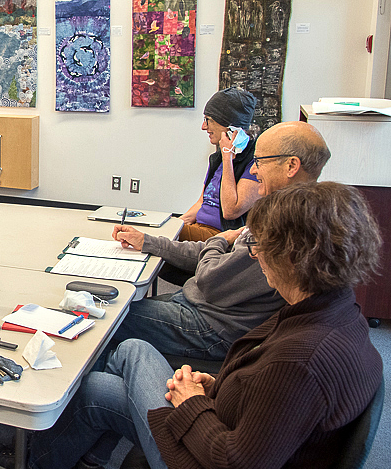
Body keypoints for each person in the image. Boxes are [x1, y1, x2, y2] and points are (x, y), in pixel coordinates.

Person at [0, 181, 382, 469]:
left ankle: (38, 465)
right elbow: (270, 404)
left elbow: (240, 467)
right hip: (239, 445)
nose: (255, 256)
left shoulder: (301, 361)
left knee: (100, 382)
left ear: (294, 257)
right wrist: (217, 387)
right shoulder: (335, 313)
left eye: (259, 246)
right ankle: (61, 465)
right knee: (127, 355)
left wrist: (193, 405)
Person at [105, 121, 331, 364]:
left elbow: (210, 278)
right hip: (200, 305)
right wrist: (148, 242)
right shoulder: (279, 209)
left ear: (291, 165)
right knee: (113, 305)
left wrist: (218, 240)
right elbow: (211, 254)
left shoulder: (285, 227)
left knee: (103, 315)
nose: (253, 171)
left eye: (260, 162)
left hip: (212, 327)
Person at [178, 87, 260, 242]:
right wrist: (173, 225)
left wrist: (227, 157)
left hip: (222, 236)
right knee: (159, 231)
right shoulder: (216, 159)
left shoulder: (254, 164)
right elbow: (202, 202)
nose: (204, 127)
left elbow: (230, 211)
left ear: (229, 126)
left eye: (208, 120)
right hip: (200, 227)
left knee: (150, 237)